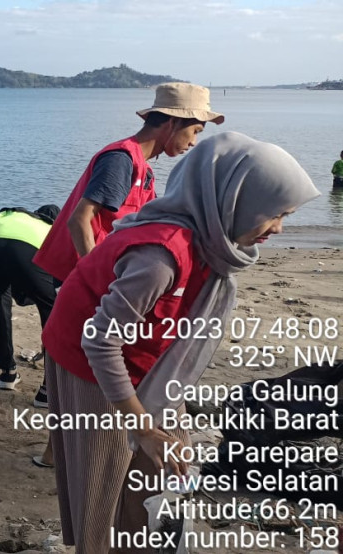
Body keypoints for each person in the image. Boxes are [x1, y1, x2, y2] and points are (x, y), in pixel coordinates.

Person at [41, 132, 318, 553]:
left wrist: (160, 417)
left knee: (164, 468)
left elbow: (170, 330)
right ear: (234, 200)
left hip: (144, 354)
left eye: (287, 216)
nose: (278, 228)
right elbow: (99, 342)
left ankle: (139, 544)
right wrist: (143, 424)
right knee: (105, 477)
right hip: (86, 356)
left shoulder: (212, 243)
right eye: (274, 214)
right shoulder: (161, 257)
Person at [31, 82, 224, 410]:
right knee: (84, 347)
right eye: (194, 131)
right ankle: (59, 404)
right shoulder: (121, 159)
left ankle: (57, 415)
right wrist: (93, 274)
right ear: (171, 122)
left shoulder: (143, 168)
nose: (194, 142)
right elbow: (80, 220)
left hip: (99, 269)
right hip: (83, 269)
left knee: (87, 345)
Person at [0, 205, 60, 392]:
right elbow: (56, 275)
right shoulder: (51, 228)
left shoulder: (6, 216)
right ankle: (48, 388)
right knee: (52, 309)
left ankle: (7, 374)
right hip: (23, 248)